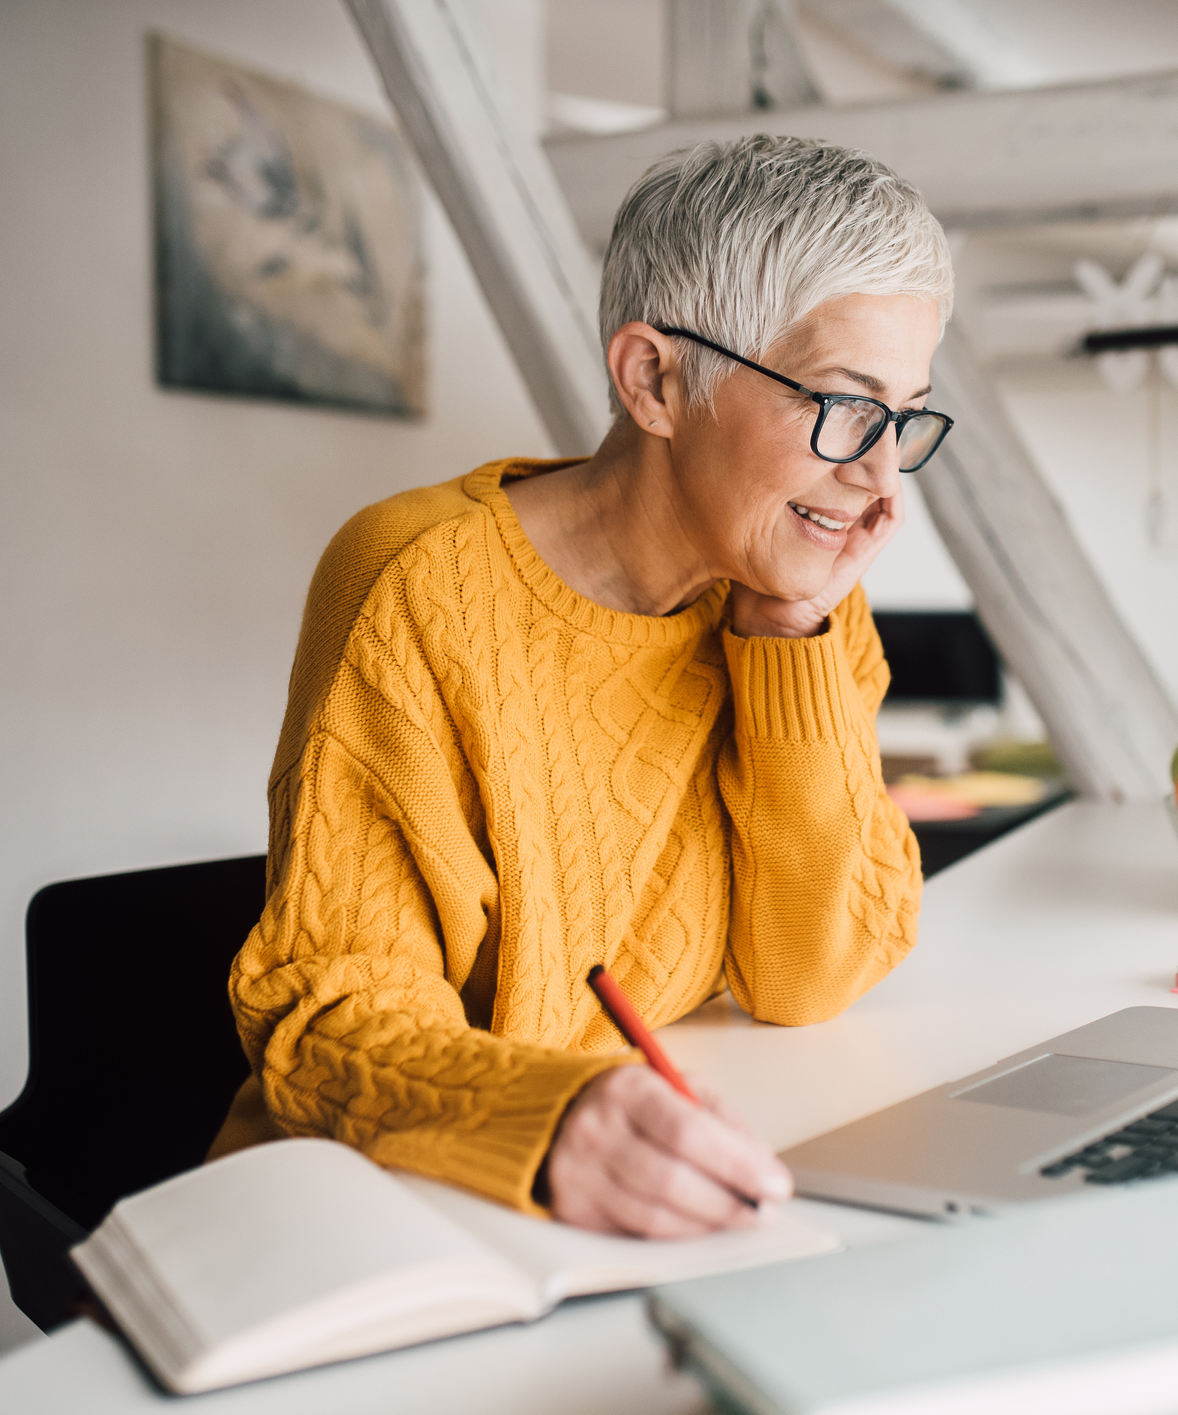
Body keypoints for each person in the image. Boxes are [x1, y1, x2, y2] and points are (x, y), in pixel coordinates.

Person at [207, 136, 953, 1240]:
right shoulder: (418, 583)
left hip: (628, 1214)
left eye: (903, 419)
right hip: (381, 1218)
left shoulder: (788, 594)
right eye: (844, 406)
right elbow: (328, 1012)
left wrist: (789, 635)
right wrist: (553, 1120)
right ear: (652, 378)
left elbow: (810, 972)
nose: (882, 481)